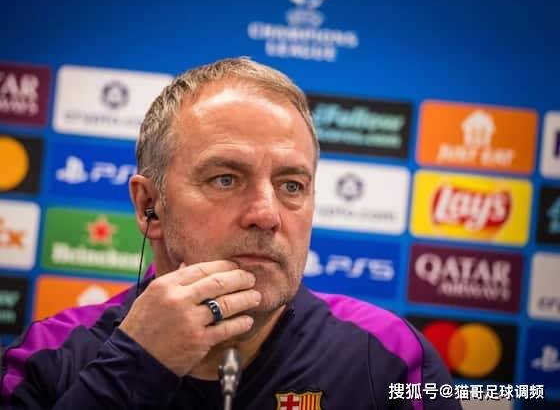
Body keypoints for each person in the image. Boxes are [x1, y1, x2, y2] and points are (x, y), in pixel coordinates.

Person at [1, 57, 461, 409]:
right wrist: (133, 368)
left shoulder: (389, 356)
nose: (266, 214)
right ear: (149, 207)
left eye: (291, 186)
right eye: (225, 179)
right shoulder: (48, 359)